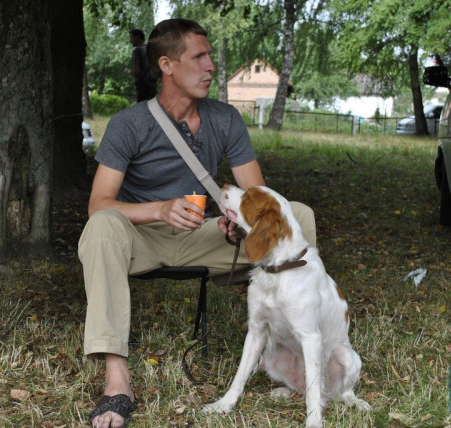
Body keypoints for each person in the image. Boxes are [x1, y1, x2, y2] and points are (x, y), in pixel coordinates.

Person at [79, 19, 316, 428]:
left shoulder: (225, 118)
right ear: (167, 65)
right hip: (140, 239)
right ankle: (117, 382)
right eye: (199, 57)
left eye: (210, 57)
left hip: (203, 236)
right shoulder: (129, 123)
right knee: (100, 226)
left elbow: (258, 198)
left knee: (300, 215)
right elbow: (98, 204)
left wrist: (237, 223)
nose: (211, 67)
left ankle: (290, 352)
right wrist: (159, 209)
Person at [126, 29, 157, 103]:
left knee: (142, 106)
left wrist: (128, 71)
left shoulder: (137, 51)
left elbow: (135, 70)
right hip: (152, 84)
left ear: (137, 37)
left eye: (131, 38)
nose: (130, 41)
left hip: (142, 85)